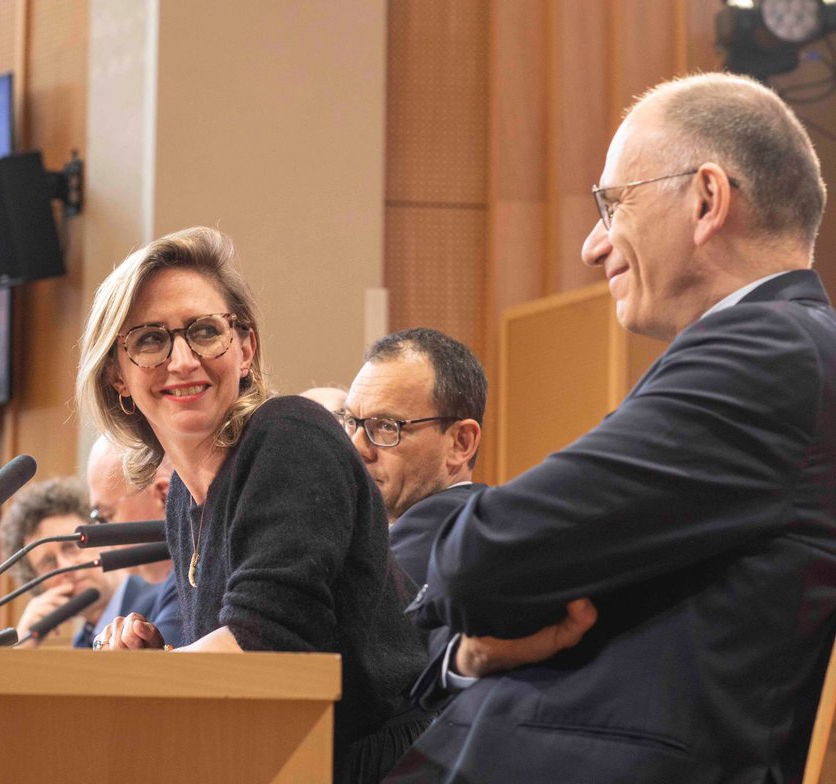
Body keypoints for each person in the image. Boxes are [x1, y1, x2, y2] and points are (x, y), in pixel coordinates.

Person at [389, 72, 836, 783]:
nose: (592, 247)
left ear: (707, 199)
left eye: (612, 204)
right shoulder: (770, 351)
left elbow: (484, 558)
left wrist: (483, 579)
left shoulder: (767, 351)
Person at [78, 226, 428, 782]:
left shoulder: (289, 434)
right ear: (118, 375)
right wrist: (155, 661)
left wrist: (144, 678)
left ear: (245, 348)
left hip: (385, 767)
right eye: (149, 340)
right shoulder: (183, 506)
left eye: (204, 331)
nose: (184, 359)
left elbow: (269, 643)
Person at [341, 327, 486, 587]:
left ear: (461, 443)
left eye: (386, 426)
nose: (356, 448)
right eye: (351, 421)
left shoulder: (443, 528)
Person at [0, 477, 157, 648]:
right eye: (49, 562)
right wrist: (25, 644)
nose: (66, 567)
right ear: (37, 584)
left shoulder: (162, 597)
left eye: (71, 547)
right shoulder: (84, 641)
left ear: (104, 535)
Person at [86, 434, 182, 647]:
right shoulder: (142, 593)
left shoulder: (190, 576)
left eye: (106, 515)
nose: (103, 535)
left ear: (164, 495)